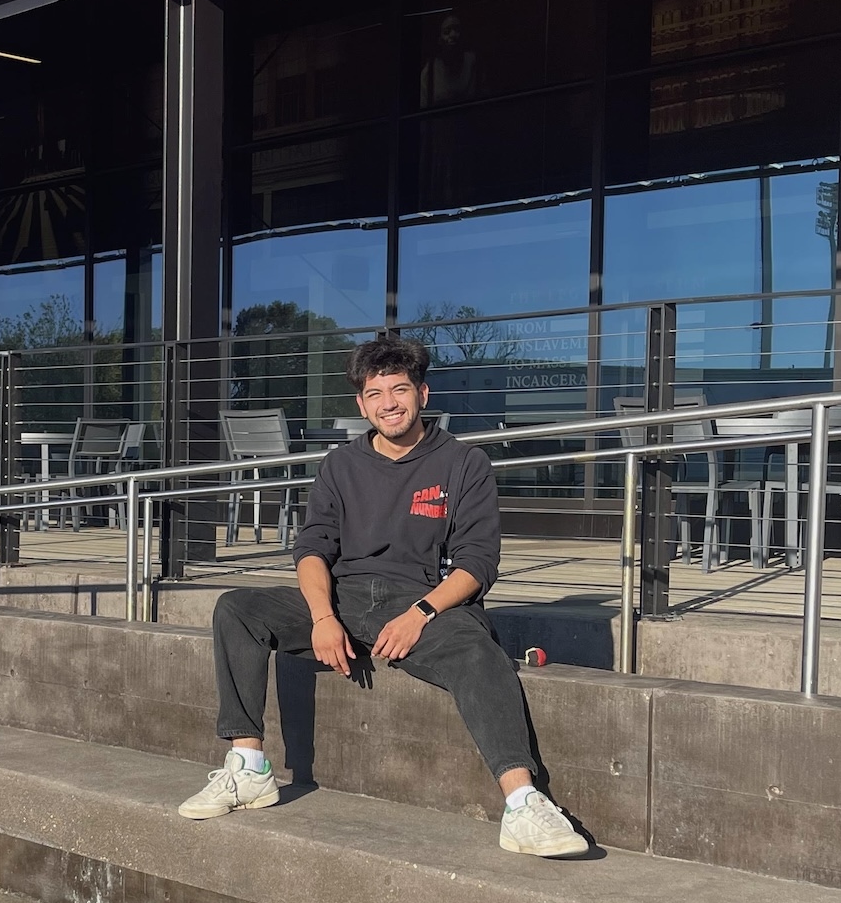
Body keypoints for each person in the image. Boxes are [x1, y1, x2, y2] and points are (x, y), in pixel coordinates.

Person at [177, 337, 588, 858]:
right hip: (344, 600)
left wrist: (420, 614)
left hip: (422, 600)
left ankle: (523, 802)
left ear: (422, 392)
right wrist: (323, 617)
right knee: (237, 609)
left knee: (477, 650)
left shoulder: (464, 463)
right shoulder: (340, 465)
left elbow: (478, 564)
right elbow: (312, 549)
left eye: (400, 390)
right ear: (361, 404)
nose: (389, 403)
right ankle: (249, 768)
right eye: (376, 394)